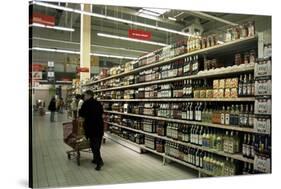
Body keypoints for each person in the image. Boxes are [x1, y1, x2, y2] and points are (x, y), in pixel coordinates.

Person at [79, 90, 104, 171]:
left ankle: (99, 162)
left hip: (91, 127)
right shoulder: (98, 103)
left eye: (85, 95)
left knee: (93, 145)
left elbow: (81, 115)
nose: (84, 96)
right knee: (98, 144)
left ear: (89, 95)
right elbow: (102, 112)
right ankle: (96, 159)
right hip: (99, 126)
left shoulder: (86, 104)